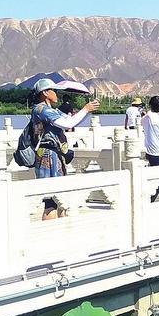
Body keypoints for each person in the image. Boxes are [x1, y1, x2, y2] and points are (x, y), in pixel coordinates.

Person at [30, 79, 99, 219]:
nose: (56, 94)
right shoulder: (41, 109)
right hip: (47, 155)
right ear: (45, 93)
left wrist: (86, 111)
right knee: (51, 201)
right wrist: (85, 109)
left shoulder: (51, 110)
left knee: (60, 199)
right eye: (54, 90)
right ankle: (50, 233)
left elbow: (72, 122)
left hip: (55, 154)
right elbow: (67, 124)